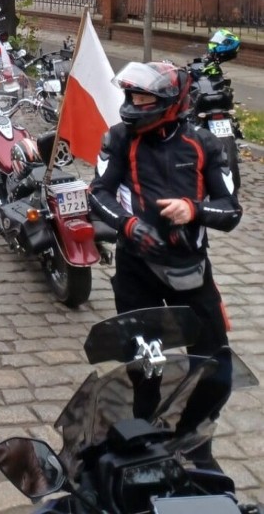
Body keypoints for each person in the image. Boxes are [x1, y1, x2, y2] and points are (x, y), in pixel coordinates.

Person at [89, 61, 242, 471]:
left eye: (144, 98)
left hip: (190, 270)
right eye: (131, 96)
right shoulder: (119, 139)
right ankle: (143, 437)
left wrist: (193, 210)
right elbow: (97, 194)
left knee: (217, 368)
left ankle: (193, 437)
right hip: (136, 266)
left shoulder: (206, 145)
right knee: (144, 365)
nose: (133, 105)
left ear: (170, 103)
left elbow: (230, 212)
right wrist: (129, 225)